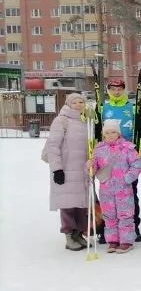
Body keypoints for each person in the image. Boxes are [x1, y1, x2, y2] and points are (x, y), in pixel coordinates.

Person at [100, 78, 141, 243]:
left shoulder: (132, 108)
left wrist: (139, 153)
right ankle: (105, 231)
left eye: (119, 89)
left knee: (130, 194)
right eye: (113, 89)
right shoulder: (103, 108)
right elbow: (96, 131)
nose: (116, 92)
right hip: (106, 159)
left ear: (124, 90)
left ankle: (133, 227)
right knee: (107, 197)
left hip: (127, 158)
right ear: (108, 91)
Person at [44, 92, 90, 251]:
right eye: (75, 102)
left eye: (81, 102)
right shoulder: (61, 120)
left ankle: (78, 233)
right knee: (68, 204)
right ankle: (69, 234)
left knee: (81, 203)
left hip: (82, 169)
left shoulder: (86, 120)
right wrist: (57, 169)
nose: (78, 105)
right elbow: (53, 146)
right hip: (66, 169)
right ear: (69, 104)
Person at [89, 119, 141, 253]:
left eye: (113, 132)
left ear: (118, 133)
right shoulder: (99, 149)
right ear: (103, 134)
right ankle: (112, 240)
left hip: (123, 189)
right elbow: (95, 167)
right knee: (109, 215)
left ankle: (126, 241)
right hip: (106, 189)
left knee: (125, 215)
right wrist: (90, 167)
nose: (111, 135)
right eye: (107, 132)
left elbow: (136, 165)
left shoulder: (127, 148)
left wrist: (127, 179)